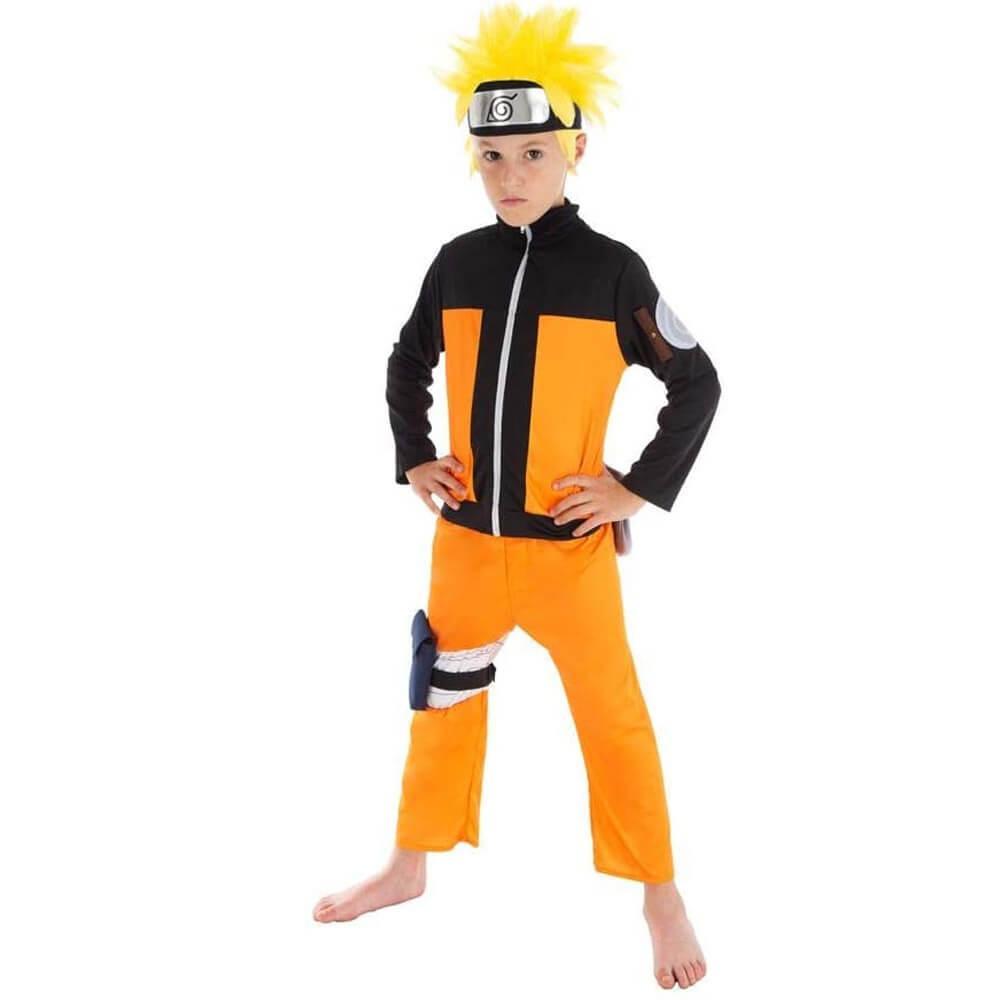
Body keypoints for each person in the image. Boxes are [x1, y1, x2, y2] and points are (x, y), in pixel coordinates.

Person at [313, 4, 720, 990]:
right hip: (464, 545)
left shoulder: (613, 271)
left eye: (532, 154)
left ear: (574, 149)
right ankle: (410, 862)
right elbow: (406, 360)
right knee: (439, 699)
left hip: (565, 556)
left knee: (613, 719)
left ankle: (660, 892)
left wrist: (631, 489)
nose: (510, 176)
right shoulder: (457, 261)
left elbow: (697, 382)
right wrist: (415, 457)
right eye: (491, 157)